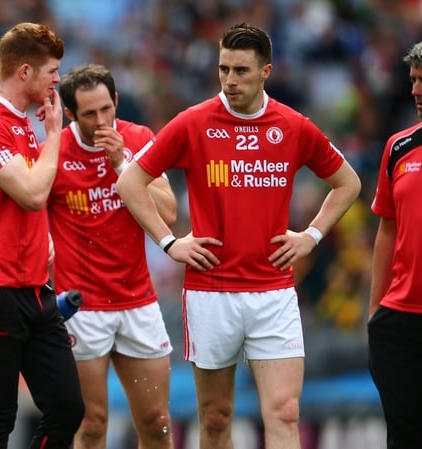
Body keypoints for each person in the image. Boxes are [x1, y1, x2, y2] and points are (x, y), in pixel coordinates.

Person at [116, 23, 361, 449]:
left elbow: (349, 183)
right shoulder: (193, 123)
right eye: (223, 69)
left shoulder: (292, 125)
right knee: (215, 417)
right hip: (211, 292)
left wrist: (312, 235)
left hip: (274, 291)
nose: (229, 80)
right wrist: (170, 242)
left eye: (241, 71)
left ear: (266, 71)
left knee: (285, 411)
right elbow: (131, 182)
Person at [0, 22, 85, 449]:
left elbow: (26, 201)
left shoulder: (23, 124)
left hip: (34, 288)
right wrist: (53, 137)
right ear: (25, 71)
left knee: (67, 408)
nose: (58, 81)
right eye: (53, 71)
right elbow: (32, 194)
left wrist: (40, 239)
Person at [48, 63, 177, 449]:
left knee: (157, 423)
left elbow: (167, 213)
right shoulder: (54, 153)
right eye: (89, 113)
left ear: (116, 100)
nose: (102, 120)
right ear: (70, 114)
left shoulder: (138, 138)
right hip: (82, 308)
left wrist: (123, 164)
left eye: (107, 109)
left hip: (137, 300)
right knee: (91, 424)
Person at [368, 34, 422, 449]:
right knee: (405, 438)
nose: (415, 90)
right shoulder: (398, 147)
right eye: (413, 80)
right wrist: (375, 312)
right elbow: (386, 231)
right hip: (403, 321)